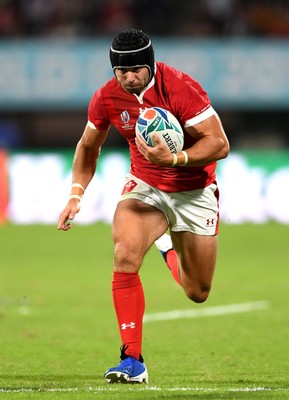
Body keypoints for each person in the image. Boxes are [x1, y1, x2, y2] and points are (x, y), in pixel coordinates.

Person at [57, 28, 230, 384]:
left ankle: (167, 249)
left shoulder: (181, 88)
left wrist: (177, 158)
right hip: (146, 186)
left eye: (137, 70)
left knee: (197, 292)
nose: (130, 78)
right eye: (122, 72)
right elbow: (88, 147)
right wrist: (76, 195)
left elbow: (219, 143)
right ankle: (132, 360)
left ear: (150, 66)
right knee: (124, 254)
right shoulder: (106, 97)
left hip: (194, 190)